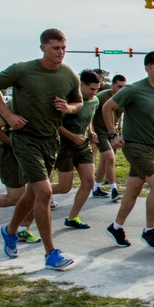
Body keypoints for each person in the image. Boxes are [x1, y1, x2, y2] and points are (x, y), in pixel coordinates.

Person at [0, 28, 83, 271]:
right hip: (25, 137)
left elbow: (78, 102)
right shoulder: (22, 69)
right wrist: (7, 116)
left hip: (50, 140)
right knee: (44, 191)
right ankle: (51, 253)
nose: (60, 52)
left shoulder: (68, 74)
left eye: (63, 48)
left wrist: (68, 108)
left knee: (32, 194)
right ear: (42, 48)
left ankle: (9, 232)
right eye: (55, 48)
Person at [102, 51, 154, 249]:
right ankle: (149, 230)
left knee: (133, 190)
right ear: (148, 68)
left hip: (153, 146)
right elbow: (107, 107)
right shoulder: (134, 90)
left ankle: (116, 226)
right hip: (134, 145)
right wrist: (113, 135)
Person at [50, 70, 102, 229]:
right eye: (91, 89)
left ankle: (72, 217)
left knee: (89, 181)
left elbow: (88, 117)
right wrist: (72, 136)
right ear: (81, 85)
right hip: (64, 145)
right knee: (64, 187)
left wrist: (91, 132)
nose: (94, 93)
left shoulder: (95, 101)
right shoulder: (68, 101)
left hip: (83, 144)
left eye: (97, 89)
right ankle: (34, 191)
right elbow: (55, 125)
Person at [0, 110, 39, 242]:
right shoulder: (17, 103)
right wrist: (15, 145)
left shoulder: (50, 102)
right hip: (11, 155)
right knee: (15, 197)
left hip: (35, 154)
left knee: (35, 192)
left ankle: (23, 230)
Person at [92, 74, 127, 203]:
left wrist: (119, 131)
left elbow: (121, 116)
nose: (122, 89)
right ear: (112, 86)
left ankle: (96, 188)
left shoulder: (124, 99)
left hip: (113, 132)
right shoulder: (101, 97)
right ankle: (114, 190)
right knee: (110, 158)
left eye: (124, 87)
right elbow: (90, 114)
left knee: (105, 160)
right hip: (100, 131)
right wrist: (91, 133)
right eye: (119, 86)